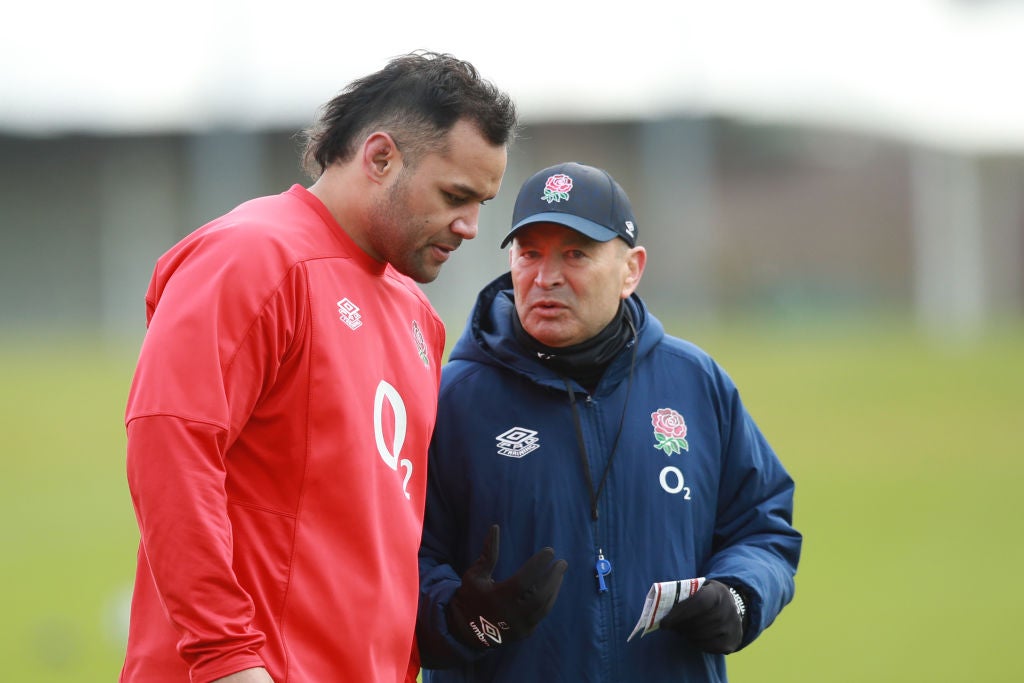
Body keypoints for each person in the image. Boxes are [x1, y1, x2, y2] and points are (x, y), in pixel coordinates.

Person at [120, 50, 517, 683]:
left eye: (482, 203)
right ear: (380, 157)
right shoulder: (252, 256)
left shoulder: (418, 316)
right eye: (455, 195)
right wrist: (225, 657)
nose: (470, 226)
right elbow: (170, 439)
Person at [416, 162, 802, 681]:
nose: (546, 276)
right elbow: (392, 554)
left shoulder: (695, 382)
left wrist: (737, 595)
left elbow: (763, 525)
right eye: (529, 253)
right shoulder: (452, 399)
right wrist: (463, 619)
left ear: (631, 269)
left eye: (575, 253)